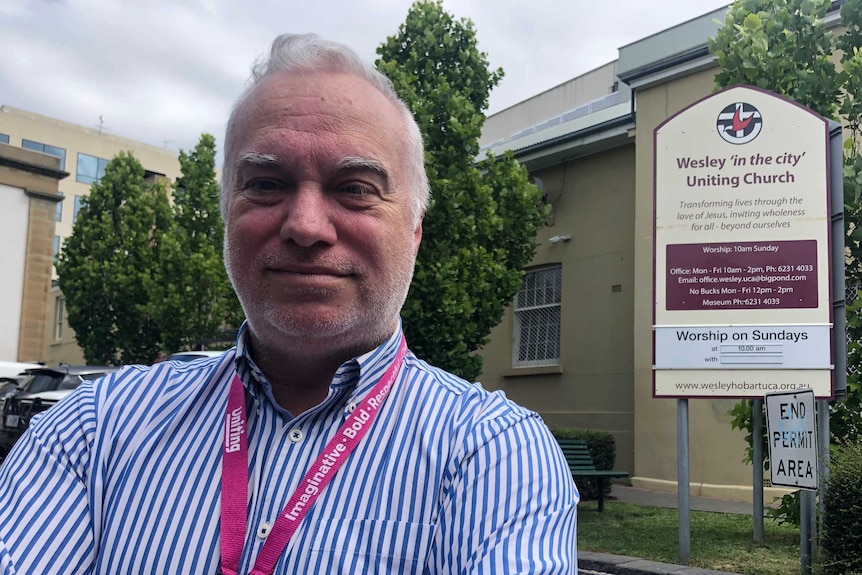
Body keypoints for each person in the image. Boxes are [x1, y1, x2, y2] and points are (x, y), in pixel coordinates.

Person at [0, 33, 578, 574]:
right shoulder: (89, 434)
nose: (305, 226)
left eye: (354, 187)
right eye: (267, 184)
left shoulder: (495, 457)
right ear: (227, 212)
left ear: (416, 228)